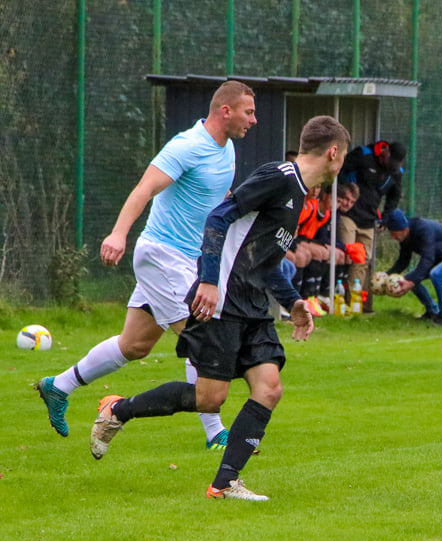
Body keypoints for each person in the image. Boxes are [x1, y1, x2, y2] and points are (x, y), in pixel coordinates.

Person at [87, 115, 351, 501]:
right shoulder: (278, 176)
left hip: (253, 306)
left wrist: (293, 301)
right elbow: (218, 216)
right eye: (343, 156)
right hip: (224, 300)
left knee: (269, 388)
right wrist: (209, 280)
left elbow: (265, 261)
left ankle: (224, 483)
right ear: (333, 153)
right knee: (210, 397)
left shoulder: (300, 196)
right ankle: (117, 411)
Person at [35, 80, 257, 450]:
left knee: (134, 344)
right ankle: (215, 432)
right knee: (203, 334)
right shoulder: (187, 146)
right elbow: (144, 189)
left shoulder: (227, 149)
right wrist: (118, 234)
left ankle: (58, 386)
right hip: (162, 256)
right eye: (249, 112)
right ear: (226, 111)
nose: (254, 119)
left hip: (186, 258)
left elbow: (215, 199)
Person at [338, 140, 407, 312]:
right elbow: (339, 171)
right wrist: (341, 197)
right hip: (349, 215)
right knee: (345, 255)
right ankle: (333, 298)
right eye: (389, 163)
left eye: (395, 166)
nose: (390, 167)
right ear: (385, 152)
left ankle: (353, 304)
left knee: (362, 261)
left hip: (369, 220)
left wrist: (385, 217)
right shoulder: (363, 155)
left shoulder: (395, 172)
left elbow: (394, 196)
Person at [384, 209, 442, 327]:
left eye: (393, 233)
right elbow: (403, 261)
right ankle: (432, 312)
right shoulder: (404, 238)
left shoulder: (423, 229)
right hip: (439, 259)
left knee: (436, 274)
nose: (392, 237)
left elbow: (428, 257)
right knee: (410, 277)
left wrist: (412, 281)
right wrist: (386, 276)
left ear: (403, 229)